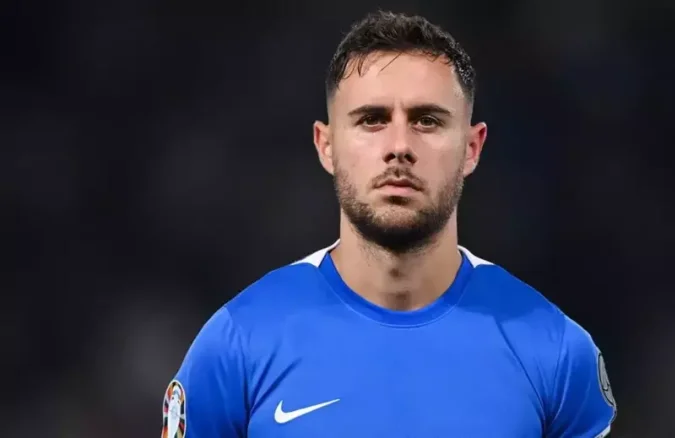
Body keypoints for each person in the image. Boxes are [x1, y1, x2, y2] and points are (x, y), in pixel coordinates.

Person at [161, 10, 617, 438]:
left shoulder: (555, 354)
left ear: (472, 148)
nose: (399, 145)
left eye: (427, 120)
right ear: (326, 146)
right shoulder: (237, 345)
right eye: (372, 120)